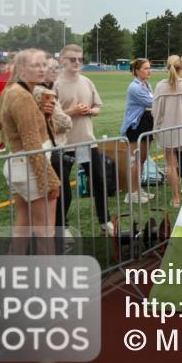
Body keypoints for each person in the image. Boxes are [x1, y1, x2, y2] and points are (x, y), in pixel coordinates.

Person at [0, 49, 62, 249]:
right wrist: (50, 180)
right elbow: (32, 142)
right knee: (45, 232)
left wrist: (46, 116)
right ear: (22, 70)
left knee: (22, 227)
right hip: (31, 168)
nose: (43, 69)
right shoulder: (22, 96)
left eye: (44, 64)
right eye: (36, 65)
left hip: (22, 165)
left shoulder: (18, 92)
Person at [54, 44, 112, 235]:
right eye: (72, 59)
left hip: (86, 141)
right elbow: (49, 117)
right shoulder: (54, 84)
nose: (77, 62)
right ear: (62, 60)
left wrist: (91, 111)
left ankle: (105, 222)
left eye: (80, 59)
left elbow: (97, 107)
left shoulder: (87, 81)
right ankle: (62, 227)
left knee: (99, 180)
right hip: (63, 144)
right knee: (62, 189)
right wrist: (72, 112)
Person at [153, 55, 182, 208]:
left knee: (171, 165)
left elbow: (156, 112)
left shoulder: (159, 86)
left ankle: (176, 198)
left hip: (167, 130)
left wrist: (156, 127)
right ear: (181, 68)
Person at [120, 58, 154, 205]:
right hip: (135, 125)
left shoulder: (146, 84)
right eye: (146, 68)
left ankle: (137, 189)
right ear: (137, 71)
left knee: (143, 159)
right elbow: (151, 102)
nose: (149, 71)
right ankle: (131, 193)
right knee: (135, 160)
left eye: (149, 68)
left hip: (145, 122)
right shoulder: (134, 87)